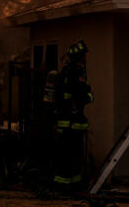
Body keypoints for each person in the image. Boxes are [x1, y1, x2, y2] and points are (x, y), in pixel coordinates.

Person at [53, 39, 94, 188]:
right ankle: (67, 183)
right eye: (83, 56)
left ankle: (71, 182)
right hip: (72, 122)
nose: (85, 59)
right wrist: (89, 95)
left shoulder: (65, 72)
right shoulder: (75, 73)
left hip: (66, 121)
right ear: (79, 57)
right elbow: (81, 95)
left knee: (68, 153)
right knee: (72, 153)